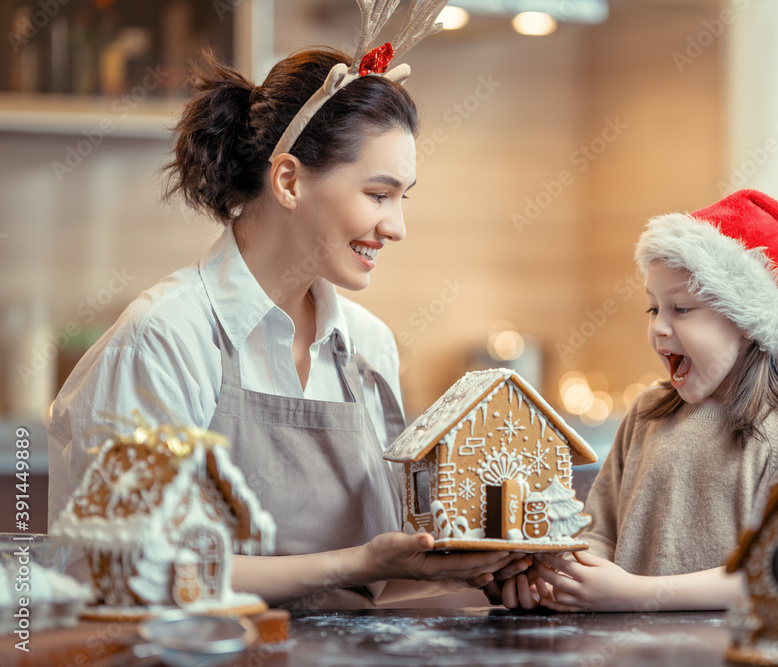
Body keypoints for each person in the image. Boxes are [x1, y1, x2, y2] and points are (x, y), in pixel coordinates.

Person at [48, 27, 518, 607]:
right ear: (289, 180)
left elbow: (390, 575)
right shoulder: (165, 338)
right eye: (378, 194)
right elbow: (136, 568)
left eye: (404, 198)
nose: (397, 226)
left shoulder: (369, 345)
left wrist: (468, 567)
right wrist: (356, 564)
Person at [489, 189, 778, 612]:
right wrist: (557, 581)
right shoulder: (647, 413)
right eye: (653, 309)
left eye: (681, 309)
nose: (659, 329)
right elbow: (599, 534)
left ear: (746, 322)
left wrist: (632, 594)